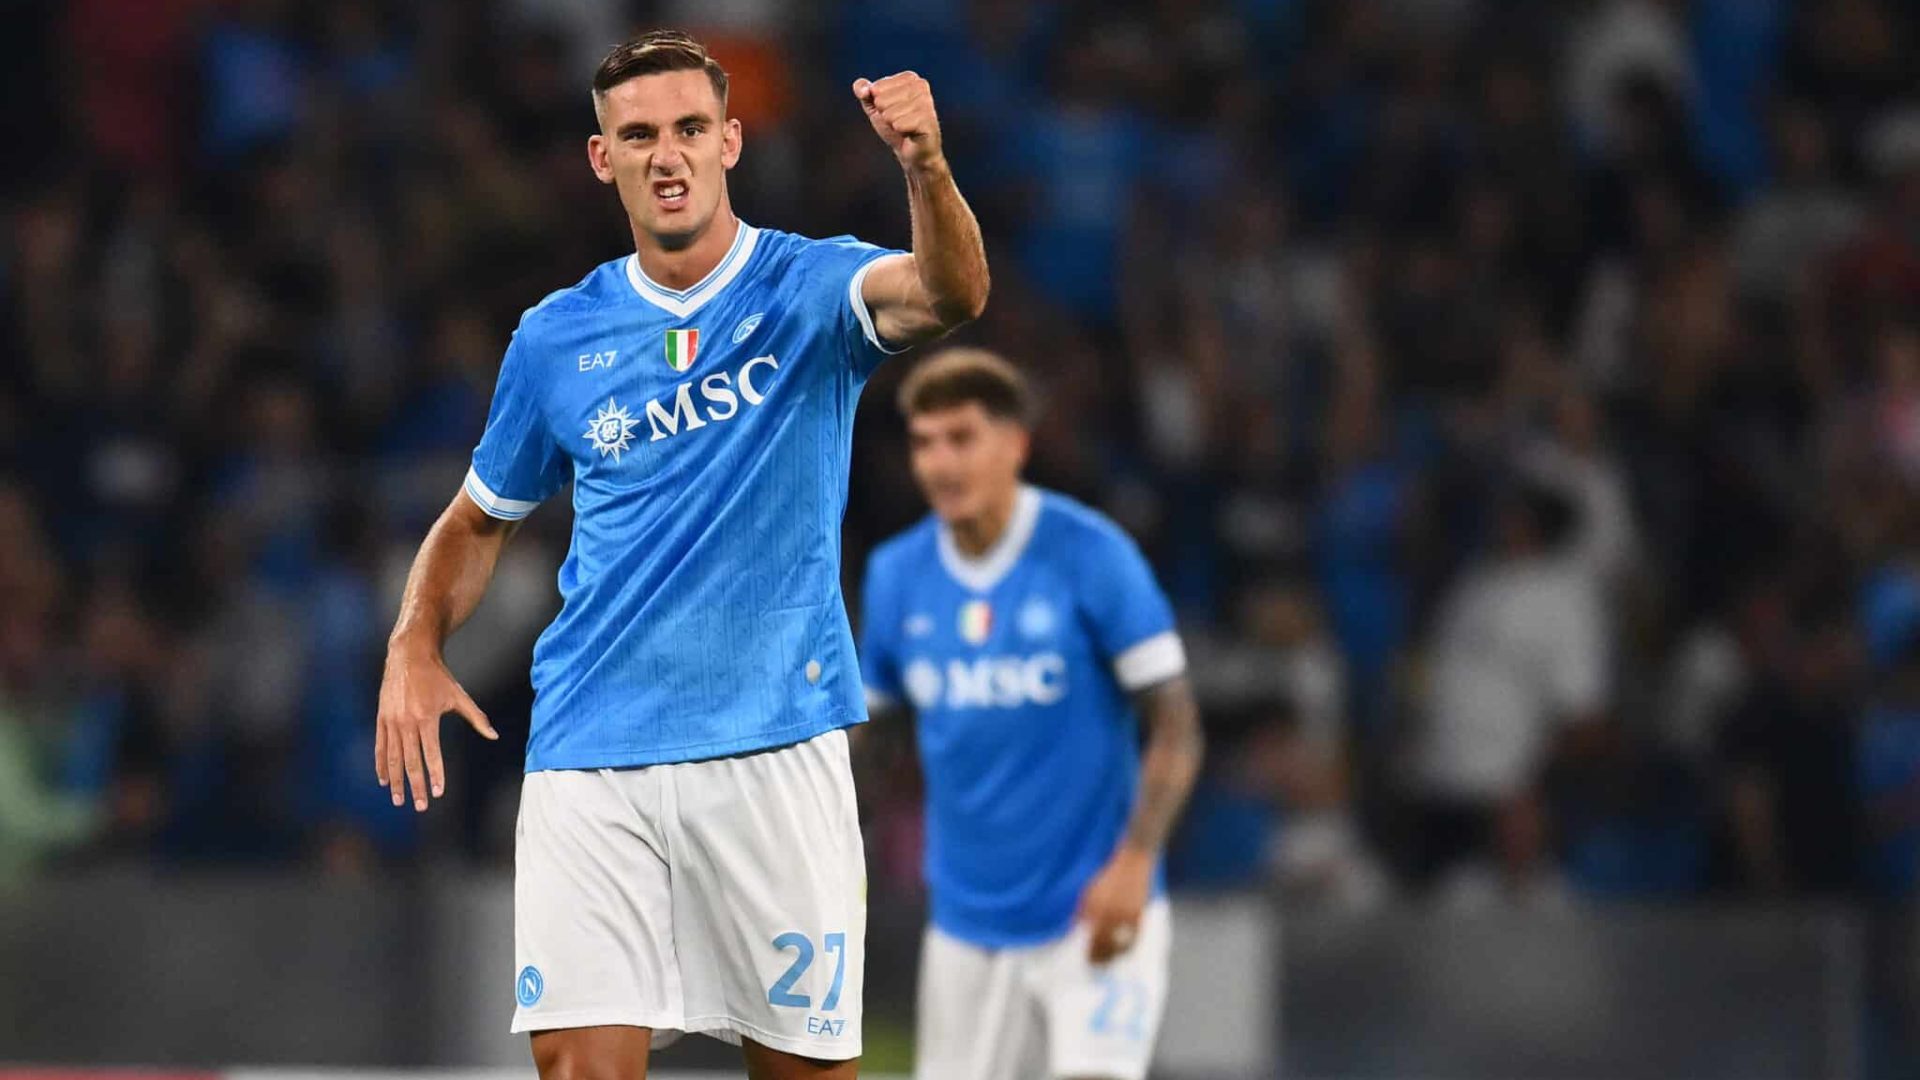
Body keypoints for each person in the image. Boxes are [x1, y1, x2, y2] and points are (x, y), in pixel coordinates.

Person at [374, 30, 988, 1080]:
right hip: (590, 753)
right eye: (639, 135)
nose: (668, 155)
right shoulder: (556, 337)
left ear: (730, 142)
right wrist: (414, 641)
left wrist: (925, 167)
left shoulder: (810, 286)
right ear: (601, 158)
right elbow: (478, 519)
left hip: (774, 746)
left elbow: (951, 295)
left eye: (691, 129)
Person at [860, 349, 1203, 1080]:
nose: (940, 463)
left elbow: (1177, 726)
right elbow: (870, 746)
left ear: (1015, 444)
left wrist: (1136, 863)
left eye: (962, 438)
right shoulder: (896, 577)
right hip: (965, 928)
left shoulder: (1093, 555)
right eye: (925, 443)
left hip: (1091, 915)